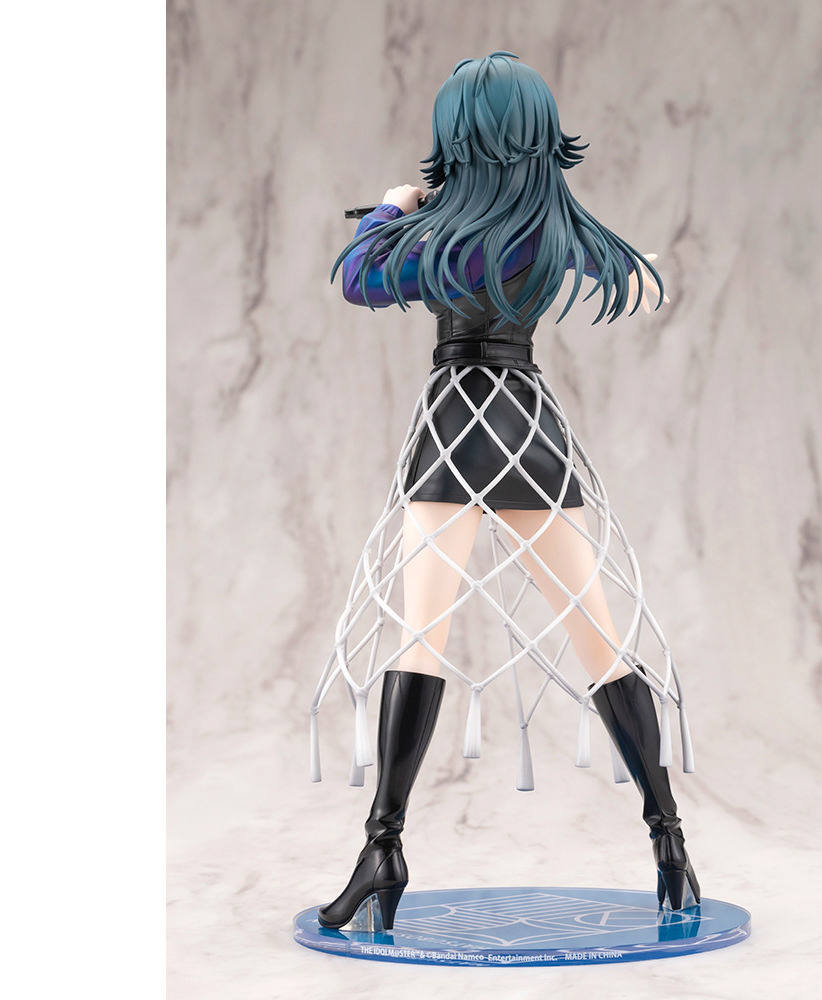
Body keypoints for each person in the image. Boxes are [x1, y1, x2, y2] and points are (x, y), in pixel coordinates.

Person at [316, 51, 699, 931]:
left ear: (455, 139)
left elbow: (357, 279)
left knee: (420, 636)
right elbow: (633, 272)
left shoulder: (438, 237)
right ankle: (670, 843)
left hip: (456, 429)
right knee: (601, 640)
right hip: (526, 431)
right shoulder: (551, 228)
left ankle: (383, 846)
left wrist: (391, 207)